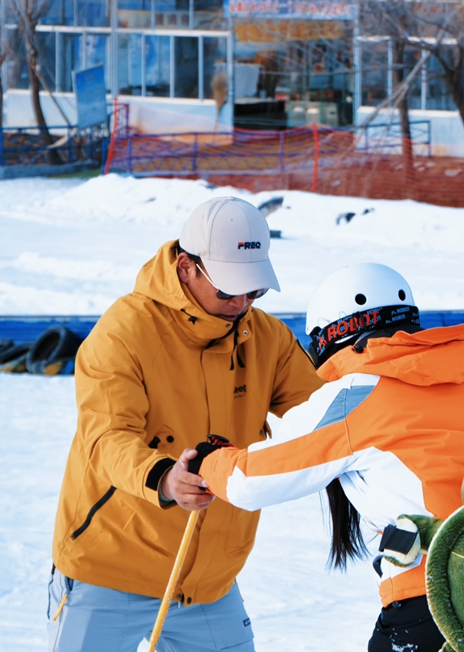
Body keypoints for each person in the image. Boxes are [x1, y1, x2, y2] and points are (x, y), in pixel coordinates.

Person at [194, 262, 464, 652]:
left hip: (436, 598)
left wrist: (209, 461)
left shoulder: (359, 391)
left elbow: (252, 480)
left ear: (331, 336)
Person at [48, 196, 323, 652]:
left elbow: (321, 415)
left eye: (253, 291)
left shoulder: (267, 338)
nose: (241, 304)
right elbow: (107, 438)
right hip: (107, 571)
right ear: (184, 267)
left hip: (208, 583)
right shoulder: (124, 332)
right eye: (228, 290)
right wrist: (164, 477)